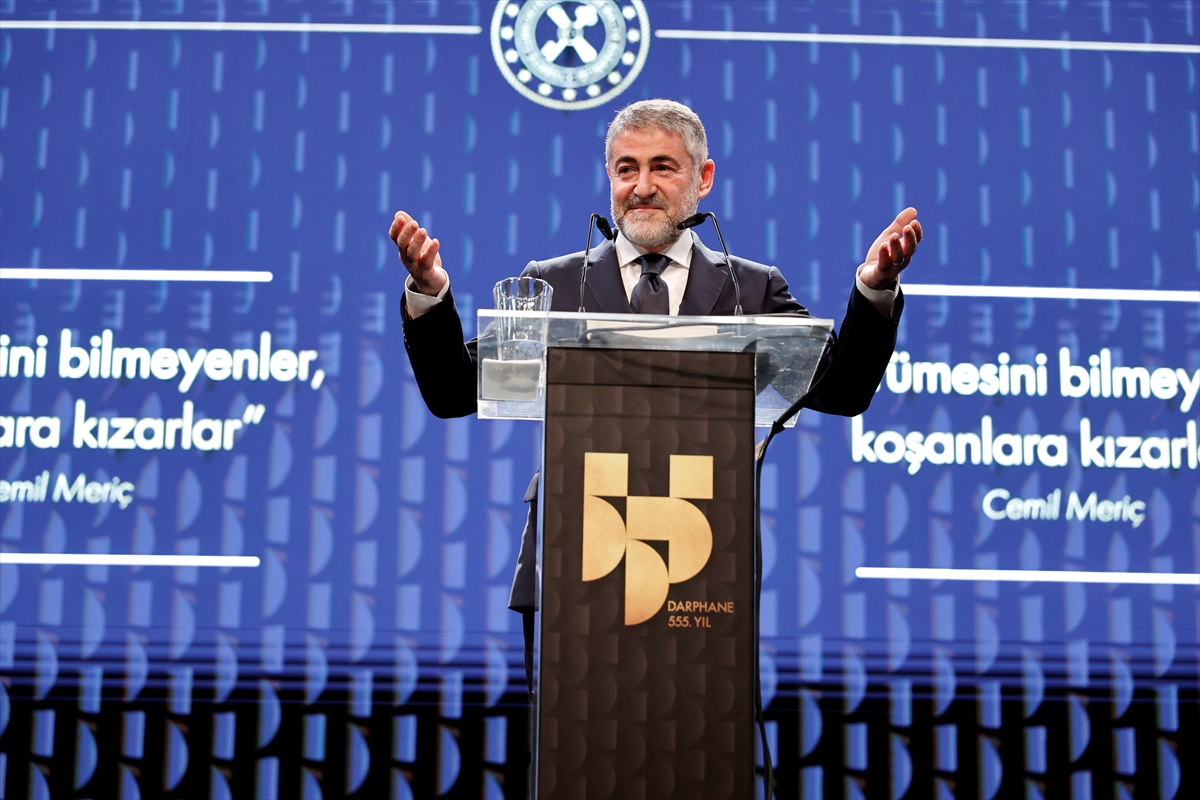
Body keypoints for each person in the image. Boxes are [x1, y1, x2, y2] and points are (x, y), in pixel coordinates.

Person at [390, 99, 922, 690]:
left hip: (701, 556)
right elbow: (453, 391)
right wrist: (428, 293)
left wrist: (874, 290)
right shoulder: (553, 282)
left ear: (704, 177)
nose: (641, 187)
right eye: (626, 169)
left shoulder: (750, 288)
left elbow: (843, 391)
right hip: (575, 552)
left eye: (662, 167)